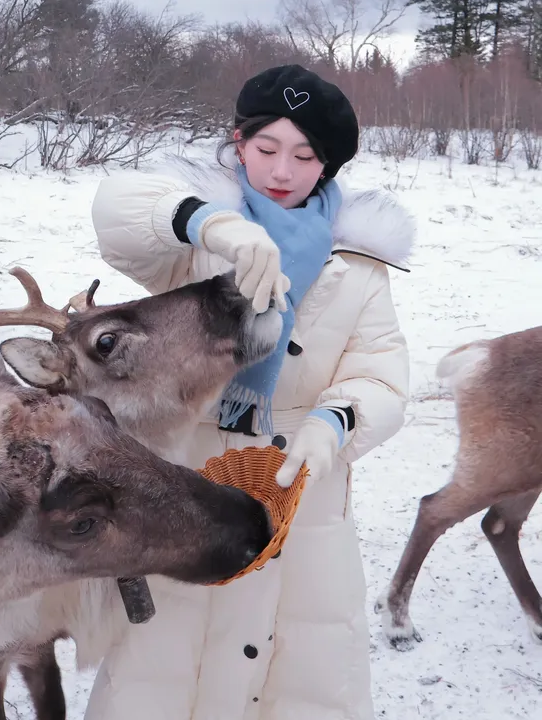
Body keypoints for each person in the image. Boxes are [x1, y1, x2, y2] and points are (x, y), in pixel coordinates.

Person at [85, 64, 412, 720]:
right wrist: (205, 223)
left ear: (328, 164)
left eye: (305, 156)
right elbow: (116, 212)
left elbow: (381, 375)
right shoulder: (190, 243)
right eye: (265, 149)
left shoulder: (358, 266)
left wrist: (336, 422)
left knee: (300, 671)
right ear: (238, 142)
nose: (282, 171)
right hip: (187, 483)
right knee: (164, 666)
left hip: (305, 494)